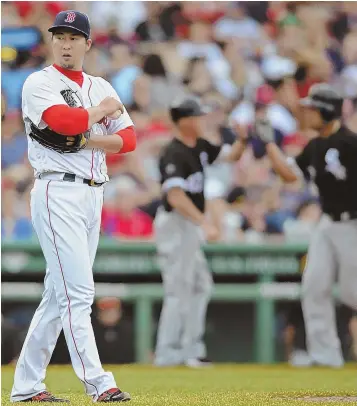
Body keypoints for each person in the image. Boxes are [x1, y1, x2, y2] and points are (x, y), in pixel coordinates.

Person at [11, 10, 136, 403]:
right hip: (57, 192)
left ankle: (26, 387)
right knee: (78, 292)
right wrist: (100, 114)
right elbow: (63, 122)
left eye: (73, 36)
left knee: (58, 295)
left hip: (93, 191)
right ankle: (100, 384)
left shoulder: (99, 84)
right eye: (59, 36)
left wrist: (88, 139)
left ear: (87, 43)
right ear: (52, 42)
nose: (65, 43)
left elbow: (128, 140)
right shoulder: (39, 82)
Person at [255, 83, 357, 367]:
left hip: (353, 224)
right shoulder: (315, 145)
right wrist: (270, 145)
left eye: (312, 108)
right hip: (327, 223)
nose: (307, 112)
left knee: (352, 292)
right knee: (313, 286)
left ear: (326, 110)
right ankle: (325, 357)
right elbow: (290, 175)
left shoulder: (351, 143)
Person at [154, 96, 248, 367]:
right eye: (197, 116)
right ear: (184, 121)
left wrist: (241, 140)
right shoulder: (173, 152)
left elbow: (230, 156)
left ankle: (190, 349)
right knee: (178, 288)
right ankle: (168, 352)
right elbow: (174, 196)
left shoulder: (201, 145)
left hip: (190, 224)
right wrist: (204, 222)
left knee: (199, 285)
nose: (202, 120)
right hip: (176, 223)